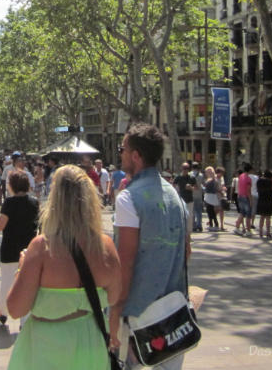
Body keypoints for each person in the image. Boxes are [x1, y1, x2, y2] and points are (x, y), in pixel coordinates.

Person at [6, 164, 120, 369]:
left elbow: (15, 308)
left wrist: (22, 268)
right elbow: (114, 297)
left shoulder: (42, 247)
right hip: (90, 343)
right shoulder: (106, 246)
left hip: (46, 346)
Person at [112, 123, 189, 370]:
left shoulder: (128, 198)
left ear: (136, 155)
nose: (120, 153)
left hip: (137, 313)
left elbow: (126, 261)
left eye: (122, 149)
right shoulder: (174, 196)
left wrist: (116, 309)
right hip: (174, 311)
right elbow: (186, 251)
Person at [0, 169, 39, 325]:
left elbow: (0, 226)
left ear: (12, 186)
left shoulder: (9, 203)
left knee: (7, 283)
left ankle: (2, 311)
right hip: (29, 250)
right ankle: (25, 319)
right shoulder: (34, 202)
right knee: (27, 285)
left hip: (10, 249)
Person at [173, 162, 196, 234]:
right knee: (181, 217)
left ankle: (188, 234)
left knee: (189, 218)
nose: (185, 170)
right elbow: (173, 185)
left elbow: (196, 187)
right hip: (180, 200)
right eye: (184, 168)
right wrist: (177, 191)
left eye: (187, 168)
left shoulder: (192, 177)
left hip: (189, 200)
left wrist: (191, 188)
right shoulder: (178, 177)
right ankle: (181, 233)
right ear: (181, 168)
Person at [256, 170, 272, 239]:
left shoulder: (259, 181)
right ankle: (268, 232)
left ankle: (260, 232)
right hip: (268, 200)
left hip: (261, 199)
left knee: (262, 217)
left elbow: (257, 189)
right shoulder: (270, 182)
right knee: (268, 217)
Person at [234, 163, 253, 237]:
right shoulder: (248, 179)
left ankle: (237, 227)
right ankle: (248, 230)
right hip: (246, 197)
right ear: (250, 170)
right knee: (248, 214)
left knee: (242, 212)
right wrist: (251, 200)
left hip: (240, 195)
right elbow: (248, 190)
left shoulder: (240, 176)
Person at [202, 166, 222, 231]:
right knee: (210, 211)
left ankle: (214, 224)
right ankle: (212, 224)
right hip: (208, 196)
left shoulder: (213, 179)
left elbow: (215, 187)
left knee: (211, 211)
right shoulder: (209, 179)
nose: (206, 173)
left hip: (211, 196)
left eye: (207, 172)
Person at [191, 162, 205, 232]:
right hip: (199, 195)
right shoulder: (201, 175)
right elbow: (203, 184)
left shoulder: (190, 174)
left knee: (192, 211)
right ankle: (199, 225)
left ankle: (193, 225)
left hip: (191, 195)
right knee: (199, 211)